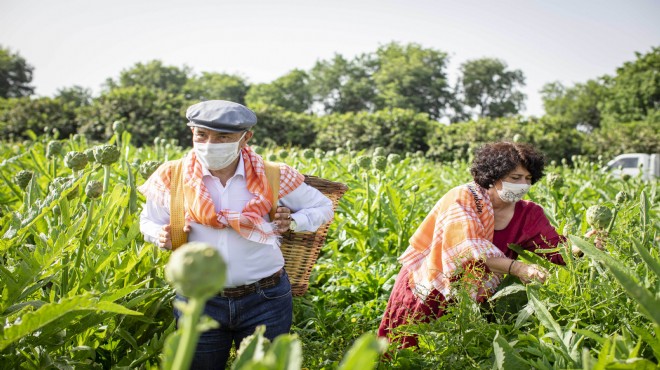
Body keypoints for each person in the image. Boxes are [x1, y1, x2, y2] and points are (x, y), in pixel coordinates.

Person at [138, 100, 334, 369]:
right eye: (202, 135)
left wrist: (294, 221)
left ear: (245, 138)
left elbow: (323, 206)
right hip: (199, 299)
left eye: (223, 137)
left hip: (266, 298)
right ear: (192, 133)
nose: (210, 144)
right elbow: (148, 220)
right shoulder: (173, 175)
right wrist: (158, 234)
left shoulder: (273, 175)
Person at [378, 141, 586, 348]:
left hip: (471, 300)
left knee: (453, 354)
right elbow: (468, 251)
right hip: (427, 288)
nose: (523, 184)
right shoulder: (464, 198)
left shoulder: (529, 214)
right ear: (494, 176)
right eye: (515, 178)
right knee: (404, 350)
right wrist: (519, 268)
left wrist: (585, 247)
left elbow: (556, 250)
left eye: (528, 178)